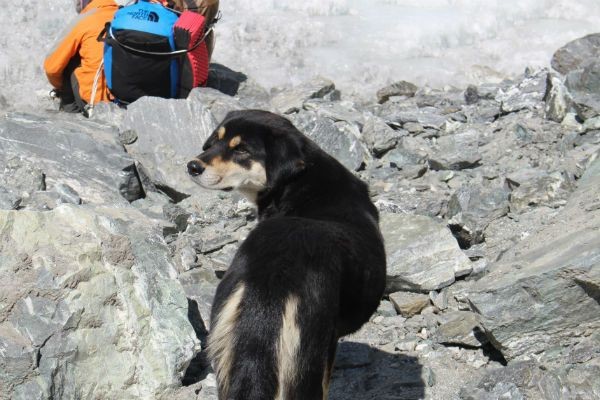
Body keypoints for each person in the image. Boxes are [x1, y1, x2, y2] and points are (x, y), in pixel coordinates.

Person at [44, 0, 118, 114]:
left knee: (67, 61)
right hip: (127, 98)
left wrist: (60, 87)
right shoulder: (124, 16)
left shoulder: (85, 19)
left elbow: (51, 68)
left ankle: (69, 115)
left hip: (94, 101)